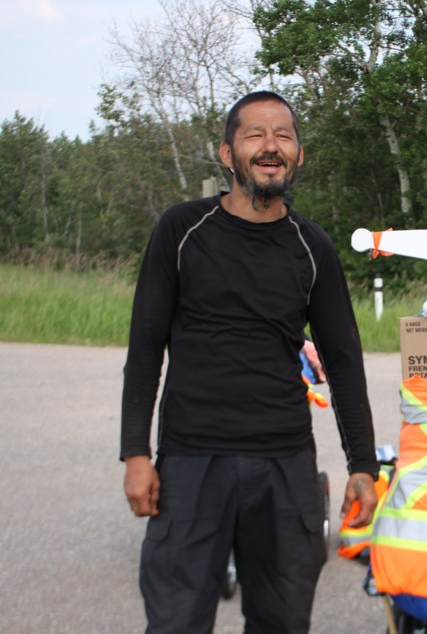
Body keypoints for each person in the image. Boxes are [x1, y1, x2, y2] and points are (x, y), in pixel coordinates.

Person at [120, 90, 379, 634]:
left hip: (283, 465)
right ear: (226, 152)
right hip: (192, 462)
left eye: (283, 136)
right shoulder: (182, 230)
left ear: (298, 155)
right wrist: (136, 454)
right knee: (175, 621)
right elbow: (145, 346)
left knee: (282, 621)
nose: (270, 146)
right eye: (255, 134)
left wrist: (362, 465)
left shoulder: (312, 247)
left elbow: (343, 359)